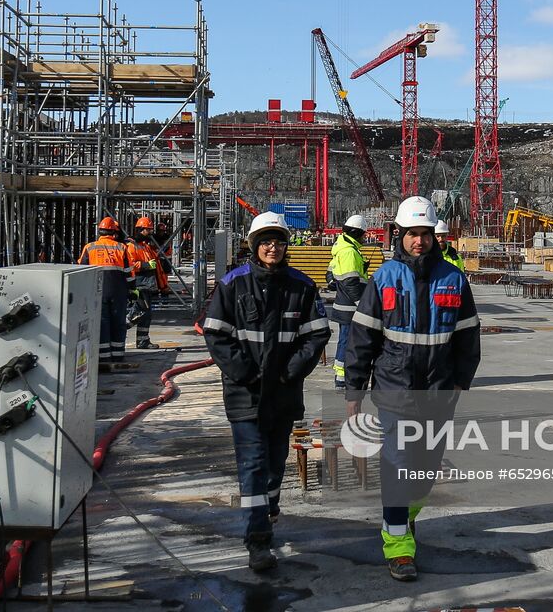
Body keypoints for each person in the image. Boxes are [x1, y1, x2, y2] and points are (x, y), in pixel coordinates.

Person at [346, 196, 481, 582]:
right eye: (411, 234)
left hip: (439, 393)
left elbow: (468, 338)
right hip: (394, 391)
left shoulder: (454, 279)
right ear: (399, 235)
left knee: (423, 473)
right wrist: (354, 392)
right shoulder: (384, 278)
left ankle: (401, 518)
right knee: (398, 467)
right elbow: (362, 339)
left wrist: (459, 382)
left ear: (433, 236)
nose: (418, 241)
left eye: (424, 234)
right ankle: (400, 549)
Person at [202, 211, 330, 573]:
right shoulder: (232, 285)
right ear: (254, 245)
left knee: (274, 465)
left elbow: (317, 334)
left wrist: (291, 372)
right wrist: (243, 371)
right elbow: (216, 333)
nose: (273, 248)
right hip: (245, 394)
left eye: (278, 241)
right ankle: (258, 541)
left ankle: (269, 507)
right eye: (266, 242)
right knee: (254, 467)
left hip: (284, 394)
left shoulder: (302, 287)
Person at [79, 216, 132, 371]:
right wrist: (132, 289)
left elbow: (80, 270)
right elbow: (129, 272)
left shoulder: (90, 247)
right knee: (118, 322)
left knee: (102, 323)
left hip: (97, 291)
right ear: (114, 233)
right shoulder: (122, 248)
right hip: (118, 290)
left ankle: (103, 356)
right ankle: (118, 354)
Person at [327, 213, 371, 390]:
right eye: (363, 234)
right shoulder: (349, 252)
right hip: (350, 307)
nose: (364, 237)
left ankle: (341, 375)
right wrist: (362, 304)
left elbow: (330, 276)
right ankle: (342, 377)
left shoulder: (341, 248)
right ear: (357, 233)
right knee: (349, 342)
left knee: (345, 340)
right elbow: (351, 283)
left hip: (343, 303)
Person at [130, 215, 167, 350]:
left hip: (147, 284)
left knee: (146, 313)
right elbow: (130, 265)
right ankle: (120, 329)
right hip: (139, 284)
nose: (151, 232)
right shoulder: (131, 246)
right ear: (141, 230)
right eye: (148, 230)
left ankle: (143, 341)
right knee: (140, 312)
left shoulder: (145, 246)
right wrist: (146, 265)